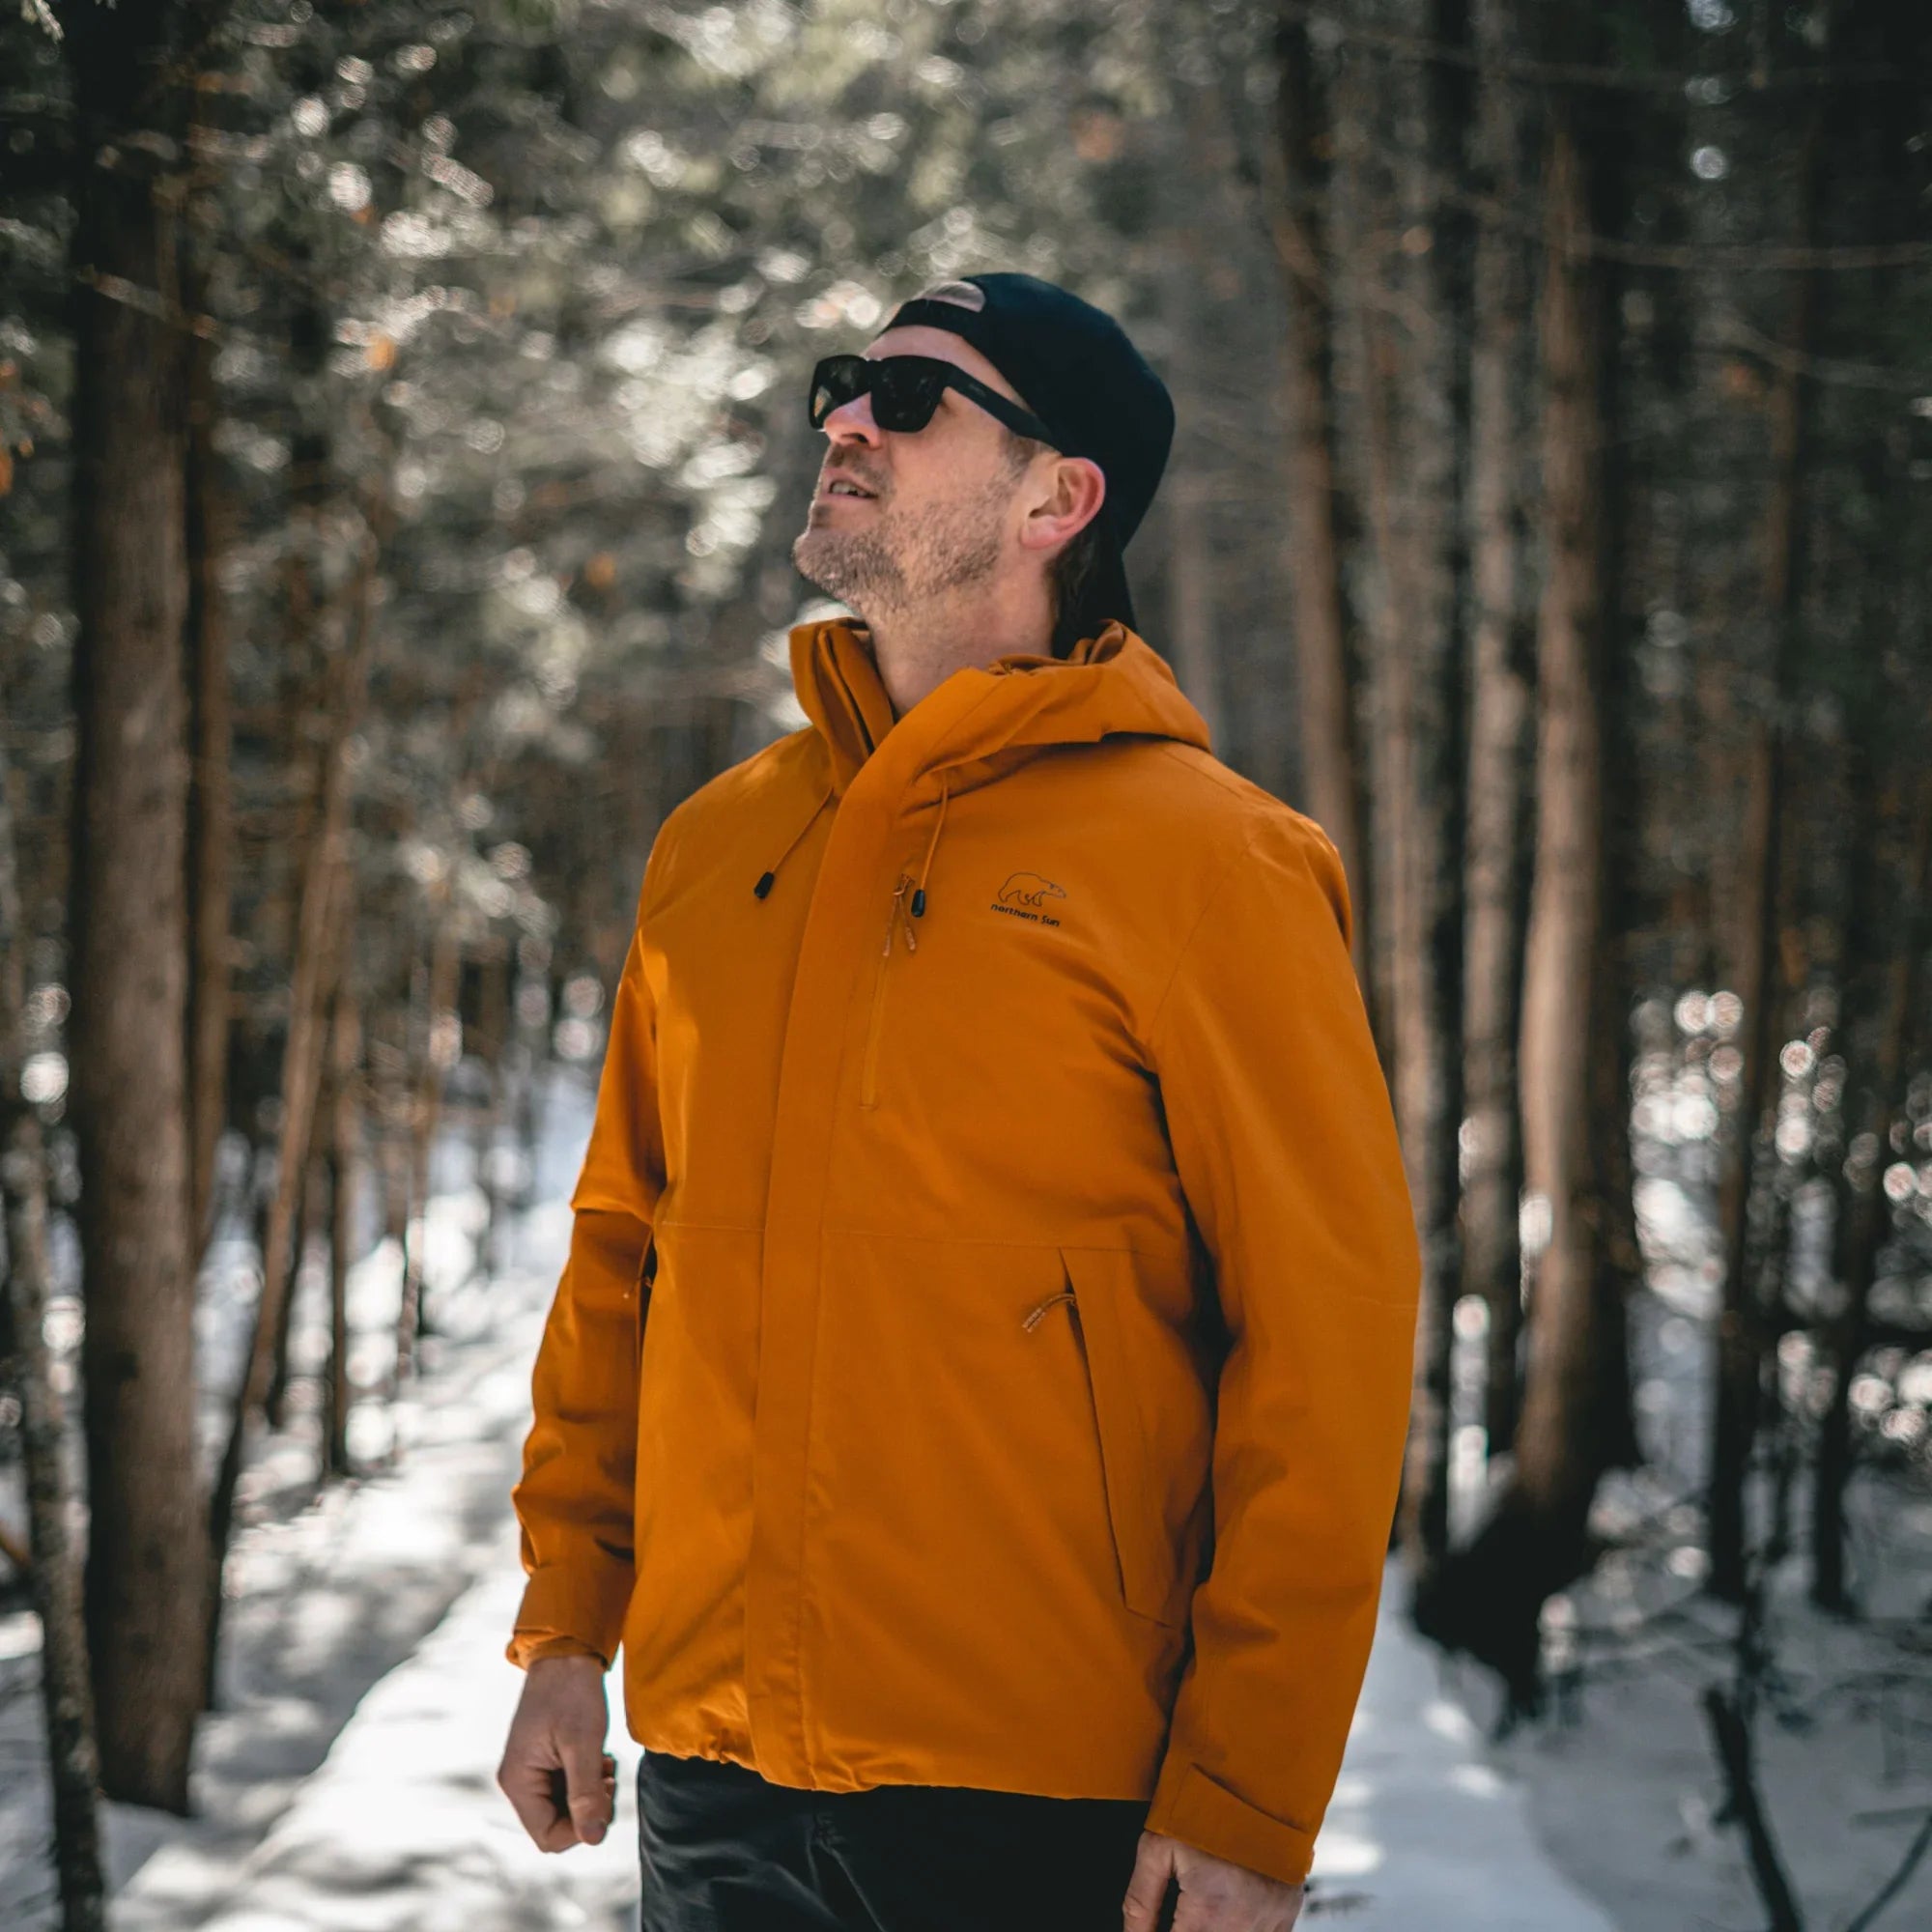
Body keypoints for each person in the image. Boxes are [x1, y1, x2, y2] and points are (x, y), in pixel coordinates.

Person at [496, 270, 1420, 1932]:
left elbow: (1323, 1346)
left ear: (1060, 499)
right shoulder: (719, 847)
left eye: (914, 402)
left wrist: (1250, 1795)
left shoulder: (1216, 864)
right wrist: (569, 1629)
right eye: (846, 384)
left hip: (1037, 1789)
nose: (846, 419)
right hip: (710, 1770)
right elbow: (625, 1253)